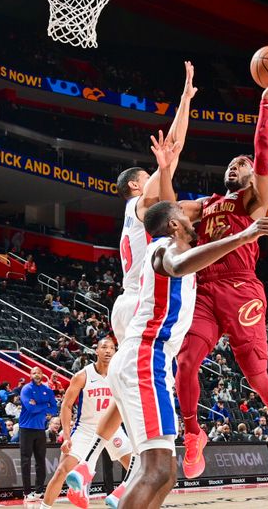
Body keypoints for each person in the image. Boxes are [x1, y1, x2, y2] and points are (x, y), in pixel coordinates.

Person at [64, 63, 195, 508]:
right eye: (149, 176)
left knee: (127, 386)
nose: (156, 176)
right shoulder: (143, 204)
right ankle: (123, 478)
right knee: (152, 376)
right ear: (137, 185)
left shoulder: (136, 214)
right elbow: (173, 150)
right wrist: (183, 104)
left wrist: (186, 102)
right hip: (145, 298)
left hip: (130, 301)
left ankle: (88, 466)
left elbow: (173, 156)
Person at [108, 200, 268, 509]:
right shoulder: (163, 248)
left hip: (149, 362)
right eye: (185, 215)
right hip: (145, 358)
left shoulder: (176, 251)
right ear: (174, 225)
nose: (192, 219)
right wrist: (243, 236)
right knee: (155, 469)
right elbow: (177, 265)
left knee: (167, 472)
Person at [174, 71, 268, 483]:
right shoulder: (204, 205)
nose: (236, 166)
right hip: (204, 289)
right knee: (186, 361)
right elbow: (162, 207)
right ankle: (193, 433)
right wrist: (165, 162)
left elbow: (263, 154)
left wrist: (266, 104)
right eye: (231, 164)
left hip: (242, 286)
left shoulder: (254, 201)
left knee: (255, 375)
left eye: (240, 164)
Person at [43, 339, 135, 509]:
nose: (108, 351)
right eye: (104, 347)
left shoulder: (120, 376)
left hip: (113, 429)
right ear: (96, 351)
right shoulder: (82, 375)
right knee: (62, 471)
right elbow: (66, 405)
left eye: (112, 348)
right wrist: (67, 436)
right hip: (86, 429)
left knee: (138, 470)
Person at [19, 366, 58, 501]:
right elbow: (30, 408)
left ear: (43, 375)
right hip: (26, 429)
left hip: (40, 429)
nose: (36, 375)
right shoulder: (26, 389)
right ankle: (26, 492)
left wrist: (40, 406)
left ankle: (39, 491)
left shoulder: (48, 390)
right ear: (30, 375)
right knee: (26, 461)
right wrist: (45, 406)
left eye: (39, 372)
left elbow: (54, 409)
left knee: (41, 461)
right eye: (34, 373)